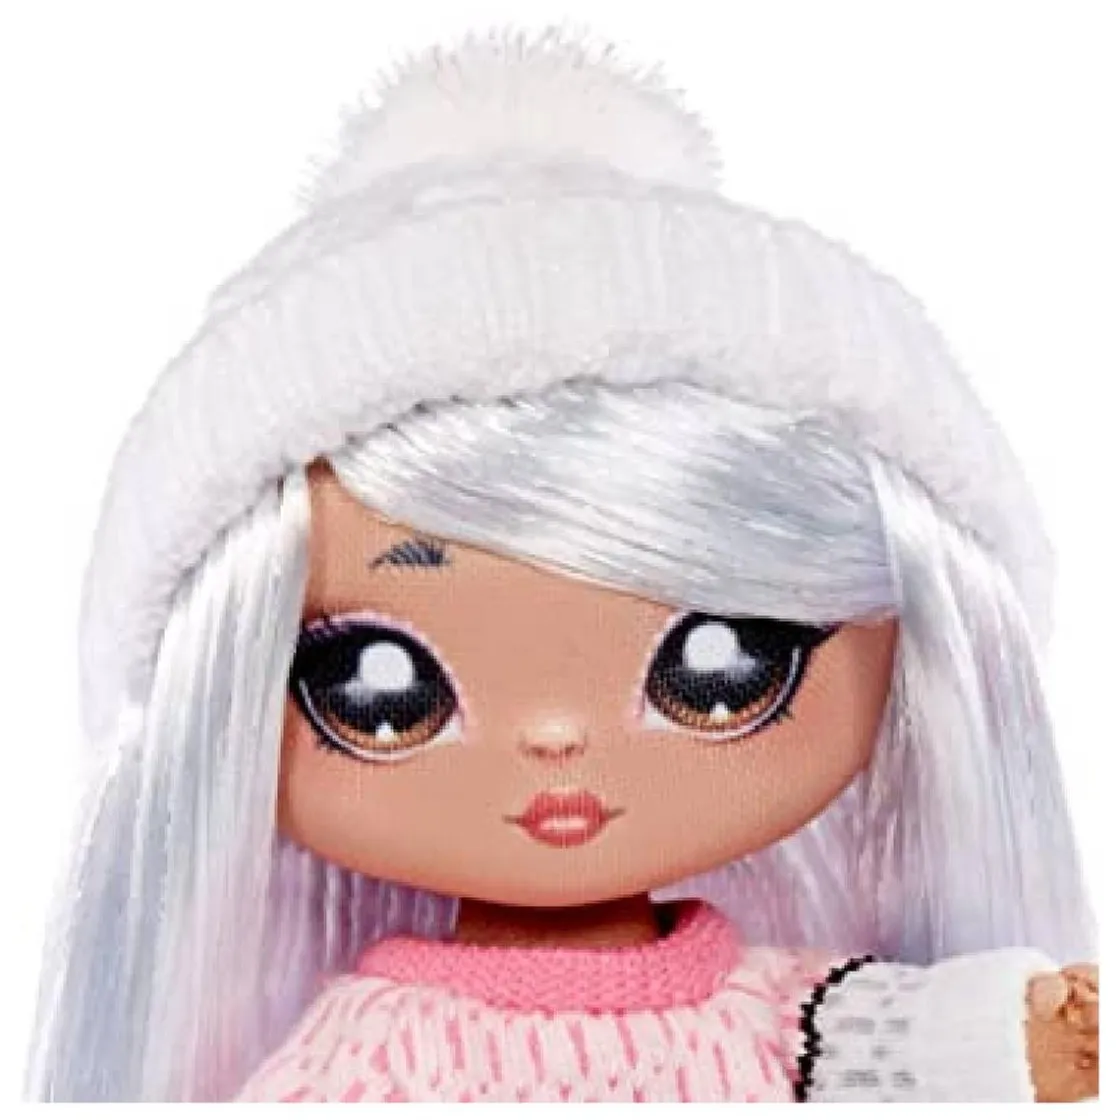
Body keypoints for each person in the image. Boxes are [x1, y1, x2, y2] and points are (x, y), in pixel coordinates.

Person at [27, 31, 1098, 1102]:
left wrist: (1023, 1037)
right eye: (378, 692)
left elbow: (889, 1040)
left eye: (721, 668)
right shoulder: (384, 1054)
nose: (553, 738)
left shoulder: (779, 1012)